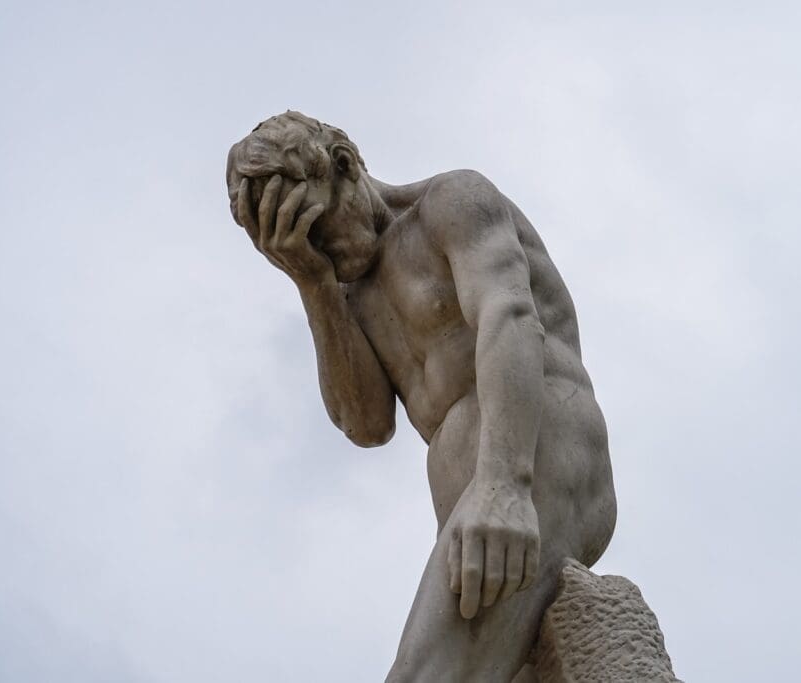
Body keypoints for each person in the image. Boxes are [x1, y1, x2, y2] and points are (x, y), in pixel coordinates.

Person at [227, 111, 616, 682]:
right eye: (298, 245)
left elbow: (508, 317)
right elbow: (366, 423)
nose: (322, 250)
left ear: (344, 168)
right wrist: (312, 283)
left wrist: (506, 485)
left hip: (540, 451)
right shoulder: (347, 294)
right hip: (468, 494)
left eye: (317, 227)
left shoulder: (452, 203)